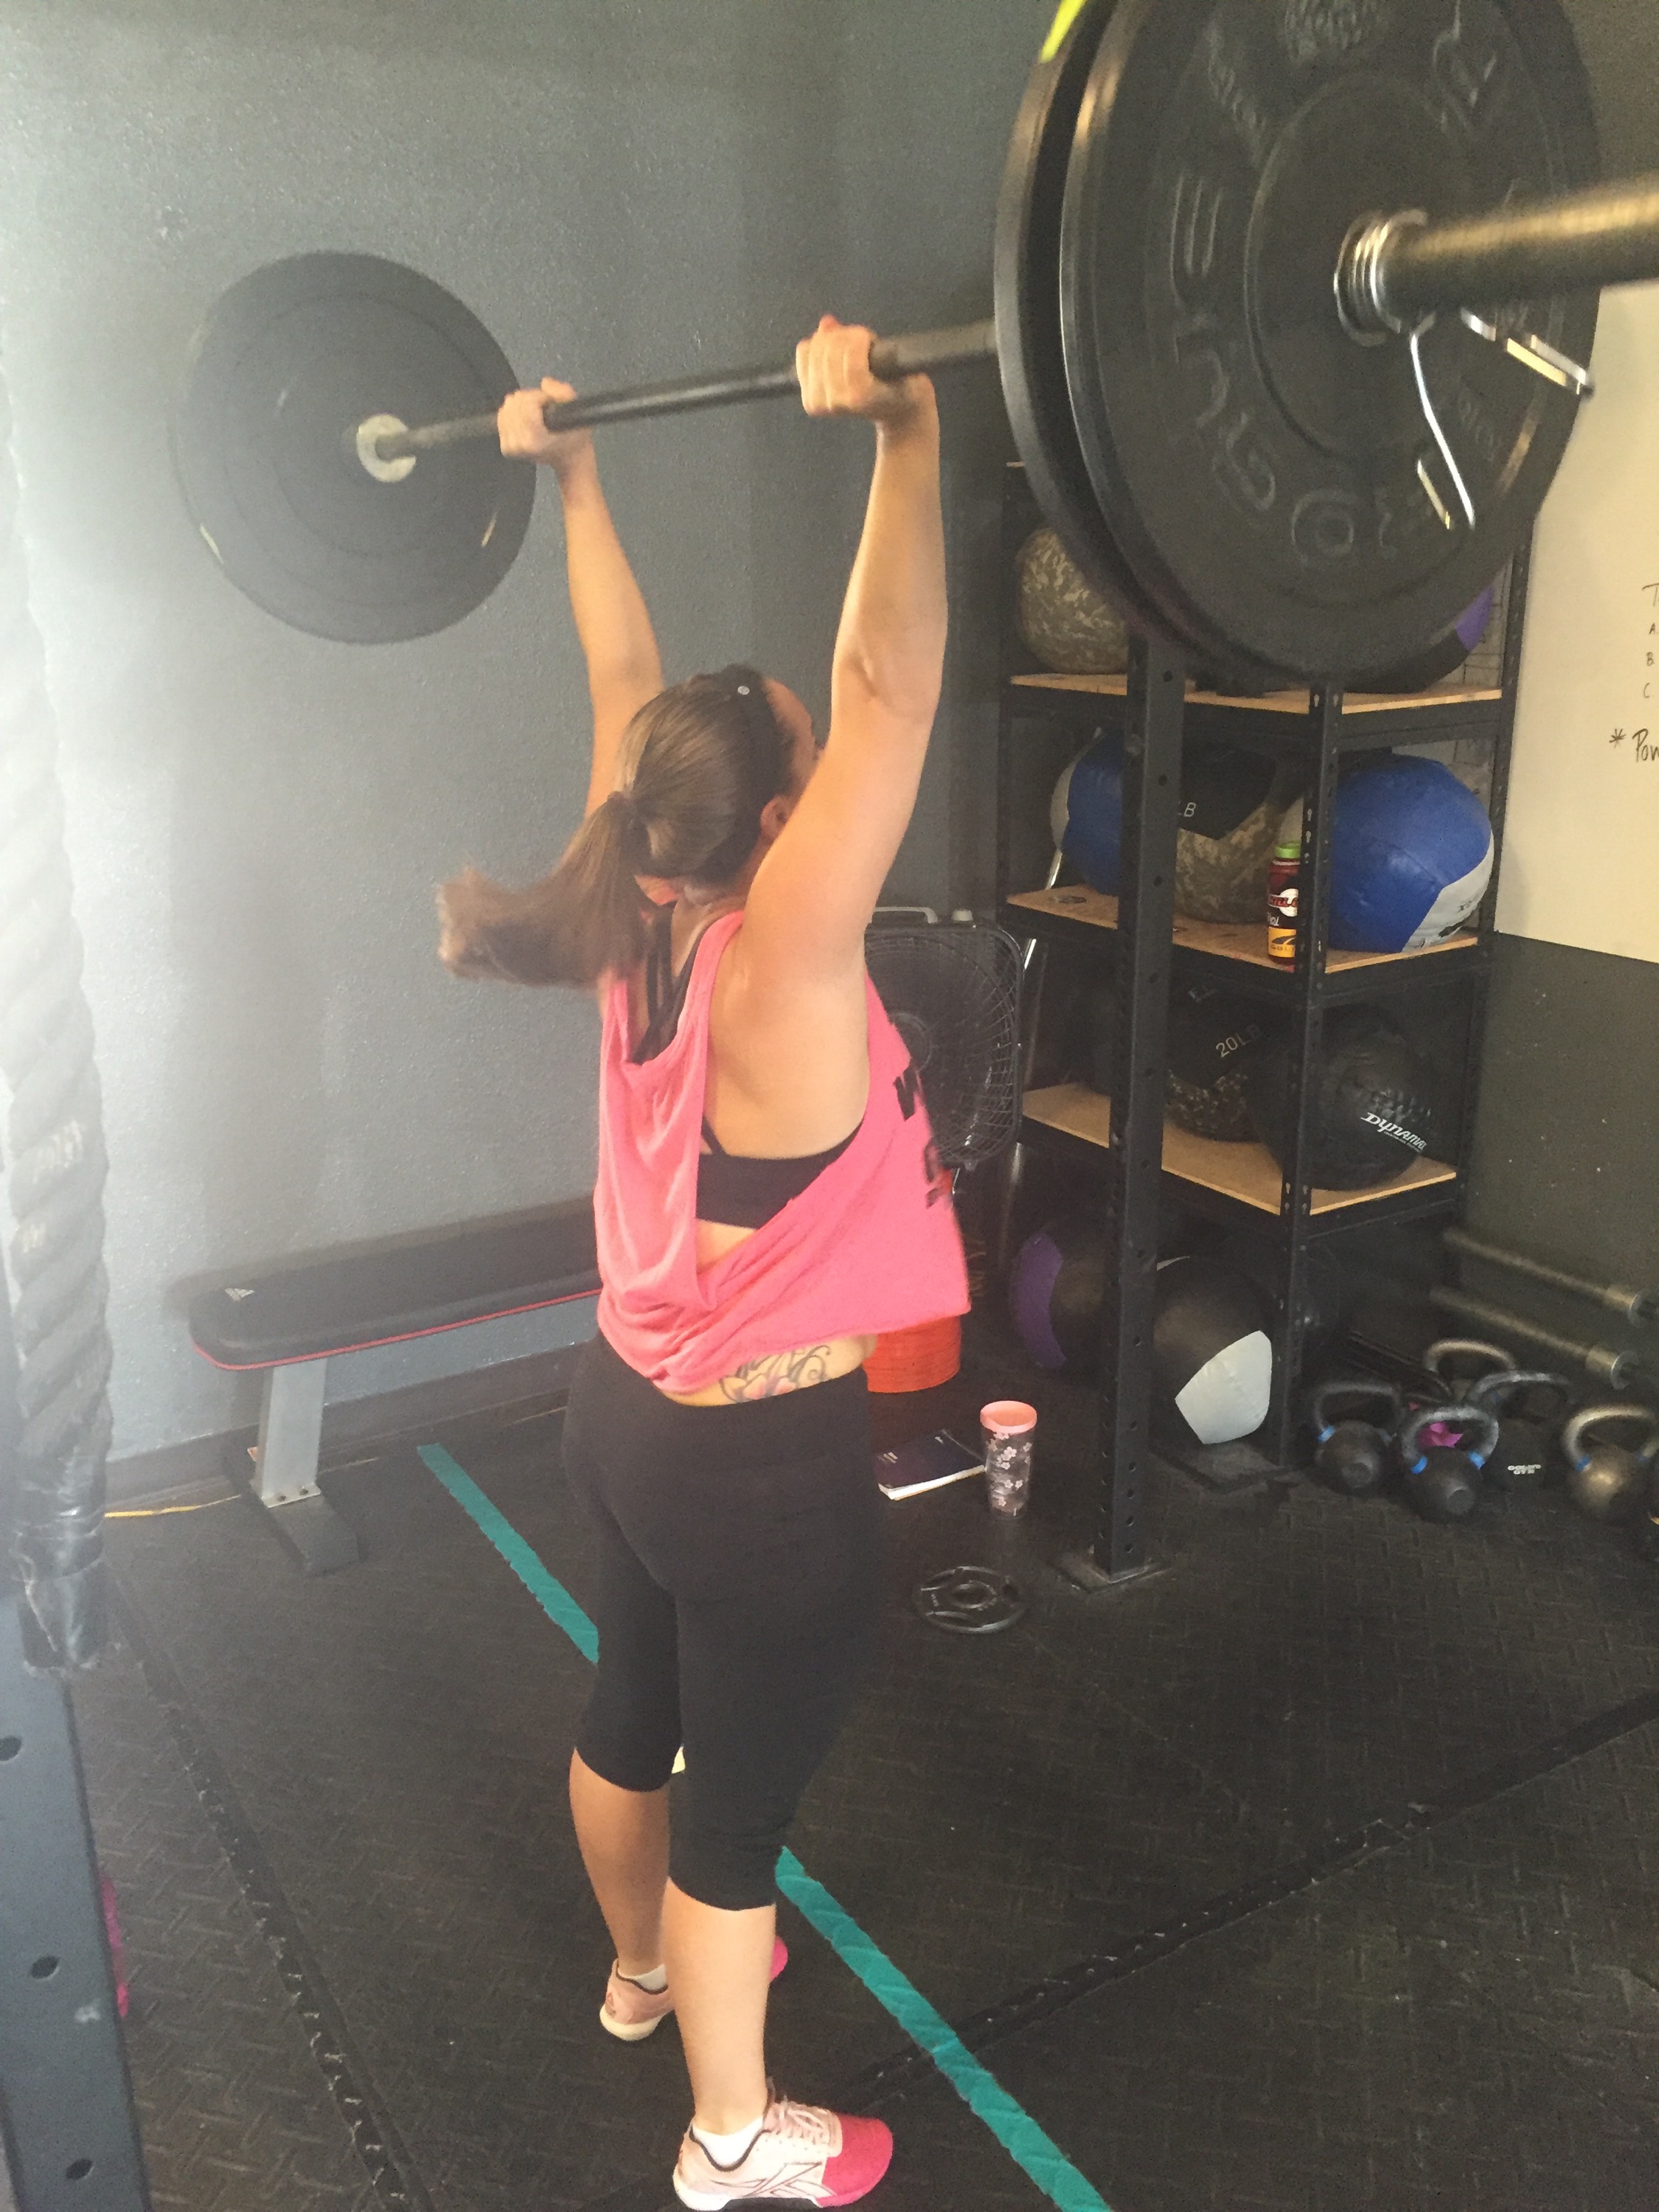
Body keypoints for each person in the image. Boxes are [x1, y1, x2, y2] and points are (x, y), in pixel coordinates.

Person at [437, 316, 967, 2209]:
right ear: (778, 825)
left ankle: (641, 1979)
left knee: (629, 1709)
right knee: (735, 1827)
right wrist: (907, 435)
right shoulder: (786, 952)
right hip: (760, 1468)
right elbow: (889, 684)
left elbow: (623, 675)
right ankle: (735, 2140)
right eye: (805, 763)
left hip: (626, 1412)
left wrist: (572, 478)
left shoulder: (633, 897)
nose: (829, 755)